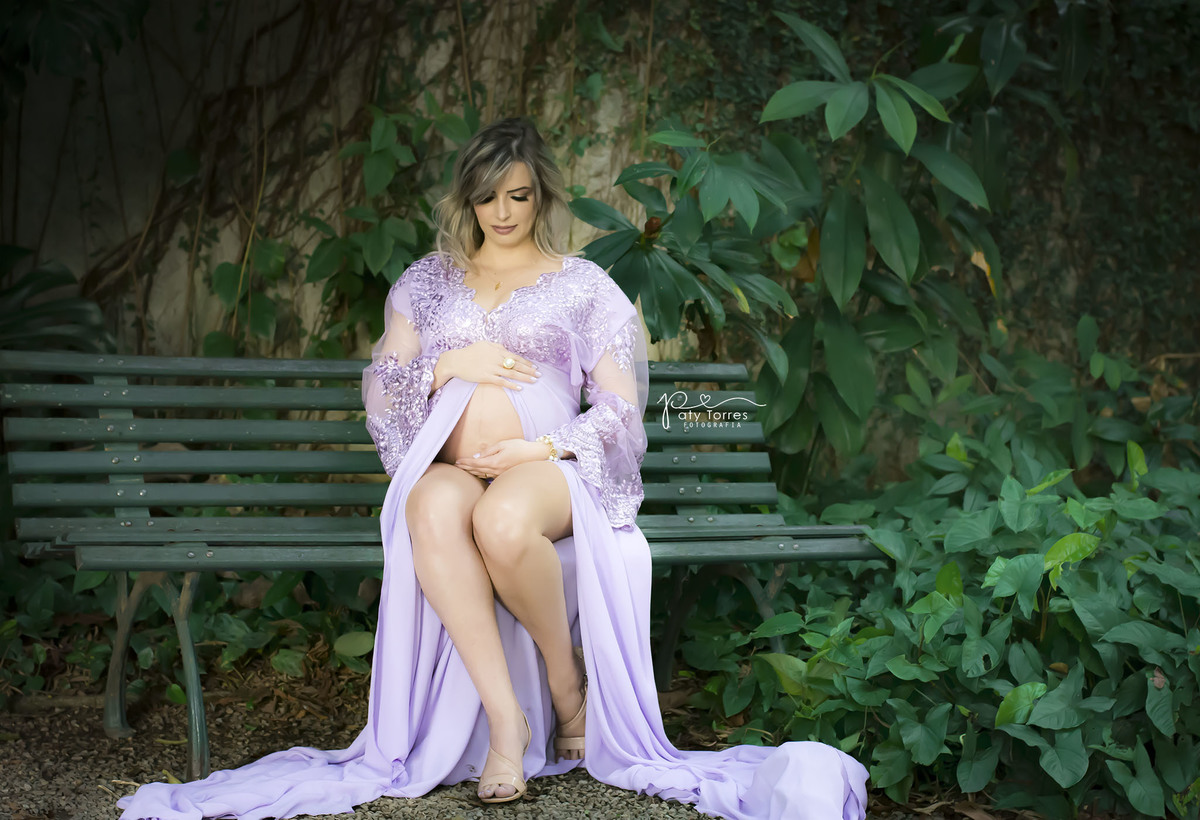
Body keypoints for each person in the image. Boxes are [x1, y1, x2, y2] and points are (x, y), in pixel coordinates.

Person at [117, 117, 868, 820]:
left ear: (542, 196)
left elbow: (621, 406)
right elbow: (382, 390)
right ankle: (508, 720)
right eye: (486, 196)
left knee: (501, 520)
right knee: (430, 507)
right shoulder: (427, 281)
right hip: (451, 461)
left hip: (545, 466)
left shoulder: (582, 285)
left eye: (518, 195)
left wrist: (539, 449)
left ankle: (567, 688)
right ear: (466, 199)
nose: (502, 212)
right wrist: (449, 364)